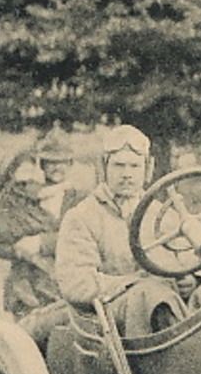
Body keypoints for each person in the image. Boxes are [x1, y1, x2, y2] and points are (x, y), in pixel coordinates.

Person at [55, 124, 187, 338]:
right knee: (147, 294)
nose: (126, 174)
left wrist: (191, 279)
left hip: (164, 312)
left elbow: (188, 262)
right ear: (103, 168)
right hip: (108, 323)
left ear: (148, 169)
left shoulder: (164, 217)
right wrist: (136, 283)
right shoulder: (82, 217)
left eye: (134, 166)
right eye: (119, 166)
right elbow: (77, 284)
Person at [0, 148, 62, 317]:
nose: (29, 175)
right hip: (26, 278)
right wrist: (19, 250)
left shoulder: (79, 198)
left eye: (31, 170)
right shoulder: (19, 195)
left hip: (51, 277)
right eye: (24, 170)